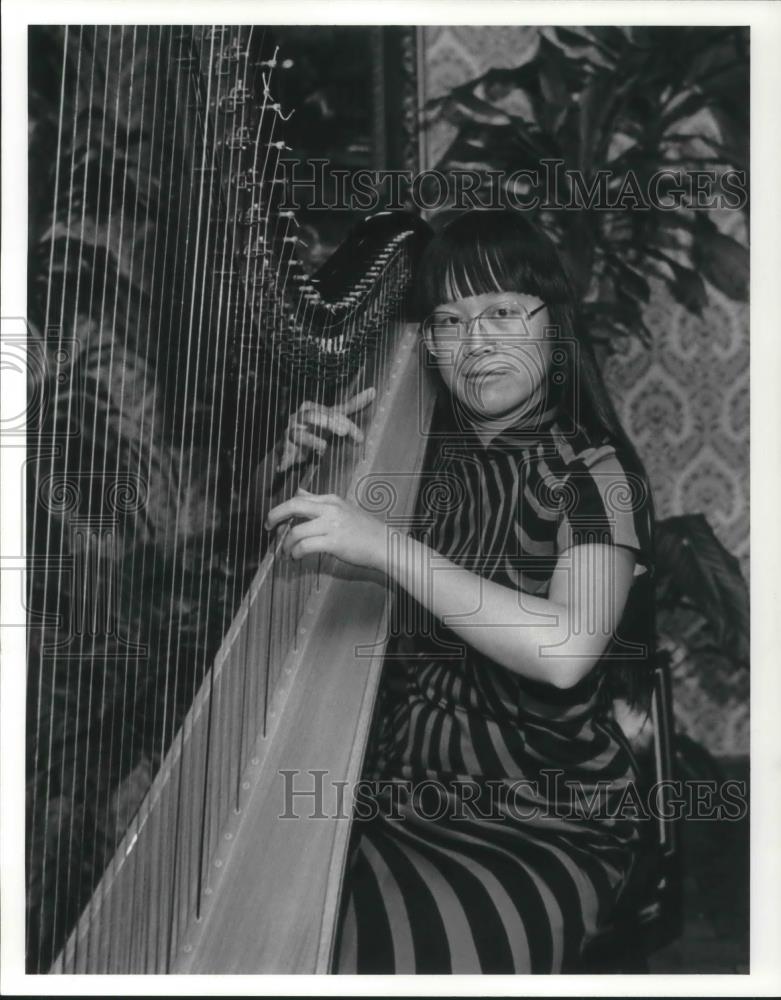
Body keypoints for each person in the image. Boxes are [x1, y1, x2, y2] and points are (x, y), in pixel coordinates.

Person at [265, 208, 656, 974]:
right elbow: (290, 576)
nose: (476, 342)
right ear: (427, 345)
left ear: (553, 324)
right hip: (387, 785)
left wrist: (385, 546)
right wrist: (285, 473)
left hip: (536, 814)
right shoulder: (410, 455)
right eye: (448, 320)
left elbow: (565, 651)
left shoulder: (594, 476)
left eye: (502, 312)